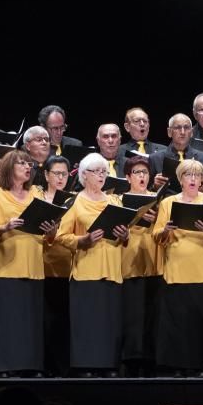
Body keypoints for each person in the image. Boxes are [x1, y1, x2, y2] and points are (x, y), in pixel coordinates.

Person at [0, 149, 58, 377]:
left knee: (29, 321)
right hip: (6, 266)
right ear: (9, 168)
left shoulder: (37, 193)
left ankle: (30, 365)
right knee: (7, 320)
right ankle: (3, 366)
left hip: (33, 265)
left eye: (29, 164)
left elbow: (49, 237)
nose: (27, 167)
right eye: (22, 163)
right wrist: (4, 227)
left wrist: (51, 230)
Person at [57, 153, 129, 378]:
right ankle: (85, 365)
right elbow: (61, 236)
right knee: (87, 321)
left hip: (111, 269)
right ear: (84, 175)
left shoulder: (114, 201)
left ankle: (109, 365)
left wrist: (125, 235)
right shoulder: (74, 202)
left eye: (104, 172)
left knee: (109, 321)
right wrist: (83, 240)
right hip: (86, 270)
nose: (101, 176)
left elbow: (126, 237)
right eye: (97, 171)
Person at [153, 159, 203, 377]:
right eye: (188, 175)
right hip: (176, 270)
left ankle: (201, 365)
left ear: (202, 180)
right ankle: (178, 365)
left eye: (197, 175)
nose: (192, 179)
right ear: (180, 179)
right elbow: (157, 235)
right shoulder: (168, 203)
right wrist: (165, 229)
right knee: (178, 322)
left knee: (200, 321)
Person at [120, 155, 161, 377]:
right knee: (132, 314)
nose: (142, 177)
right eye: (137, 173)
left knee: (152, 313)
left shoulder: (157, 199)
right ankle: (130, 359)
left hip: (153, 260)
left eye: (145, 173)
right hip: (130, 259)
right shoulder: (119, 199)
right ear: (128, 177)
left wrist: (156, 219)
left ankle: (151, 358)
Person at [41, 155, 75, 377]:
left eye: (64, 174)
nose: (61, 178)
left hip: (69, 267)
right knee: (47, 320)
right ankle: (47, 366)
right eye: (56, 173)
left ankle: (64, 367)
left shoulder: (74, 199)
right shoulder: (38, 197)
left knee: (65, 320)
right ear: (46, 175)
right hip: (44, 266)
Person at [149, 114, 203, 191]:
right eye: (177, 128)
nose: (182, 132)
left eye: (186, 127)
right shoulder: (155, 158)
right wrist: (155, 187)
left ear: (191, 132)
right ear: (169, 132)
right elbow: (146, 190)